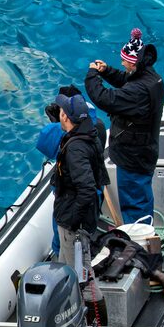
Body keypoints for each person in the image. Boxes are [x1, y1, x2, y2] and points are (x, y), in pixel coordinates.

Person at [84, 28, 164, 224]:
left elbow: (104, 98)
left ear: (134, 62)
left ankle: (137, 244)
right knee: (142, 198)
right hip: (144, 151)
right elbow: (128, 80)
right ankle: (141, 234)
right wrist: (107, 71)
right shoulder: (150, 77)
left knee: (134, 204)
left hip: (133, 157)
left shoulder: (138, 92)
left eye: (124, 61)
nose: (121, 63)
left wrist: (93, 75)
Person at [51, 93, 109, 322]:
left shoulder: (75, 148)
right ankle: (72, 319)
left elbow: (85, 188)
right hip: (76, 218)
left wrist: (73, 220)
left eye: (61, 110)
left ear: (65, 116)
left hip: (74, 223)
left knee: (84, 277)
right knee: (71, 270)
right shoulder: (89, 134)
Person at [36, 84, 107, 256]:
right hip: (94, 193)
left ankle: (61, 258)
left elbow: (44, 143)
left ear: (66, 115)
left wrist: (72, 219)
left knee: (66, 245)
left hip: (70, 201)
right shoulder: (94, 126)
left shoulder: (73, 143)